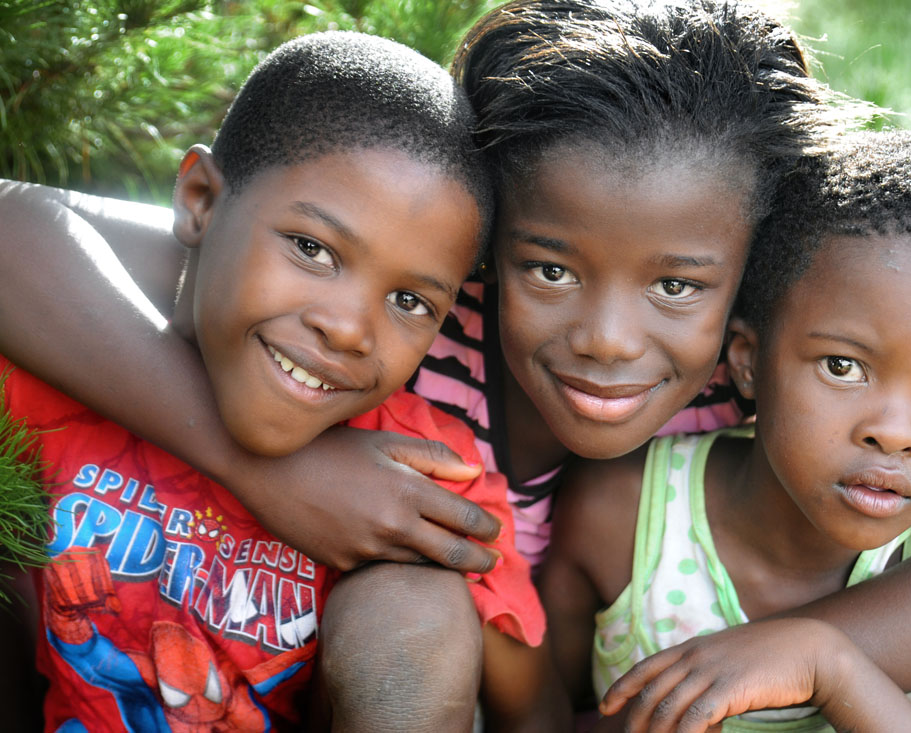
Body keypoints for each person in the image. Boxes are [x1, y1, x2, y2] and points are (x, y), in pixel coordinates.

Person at [1, 0, 911, 726]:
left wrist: (800, 649)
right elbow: (20, 228)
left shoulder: (763, 352)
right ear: (486, 238)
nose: (608, 339)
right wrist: (265, 466)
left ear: (752, 277)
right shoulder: (423, 302)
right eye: (549, 270)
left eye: (676, 285)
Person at [0, 31, 547, 732]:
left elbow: (531, 708)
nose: (349, 330)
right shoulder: (65, 361)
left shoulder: (423, 474)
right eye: (313, 249)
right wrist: (270, 472)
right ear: (199, 200)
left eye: (410, 301)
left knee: (420, 599)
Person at [542, 130, 911, 731]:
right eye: (842, 366)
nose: (894, 433)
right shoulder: (620, 514)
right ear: (749, 359)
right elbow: (544, 717)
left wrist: (828, 663)